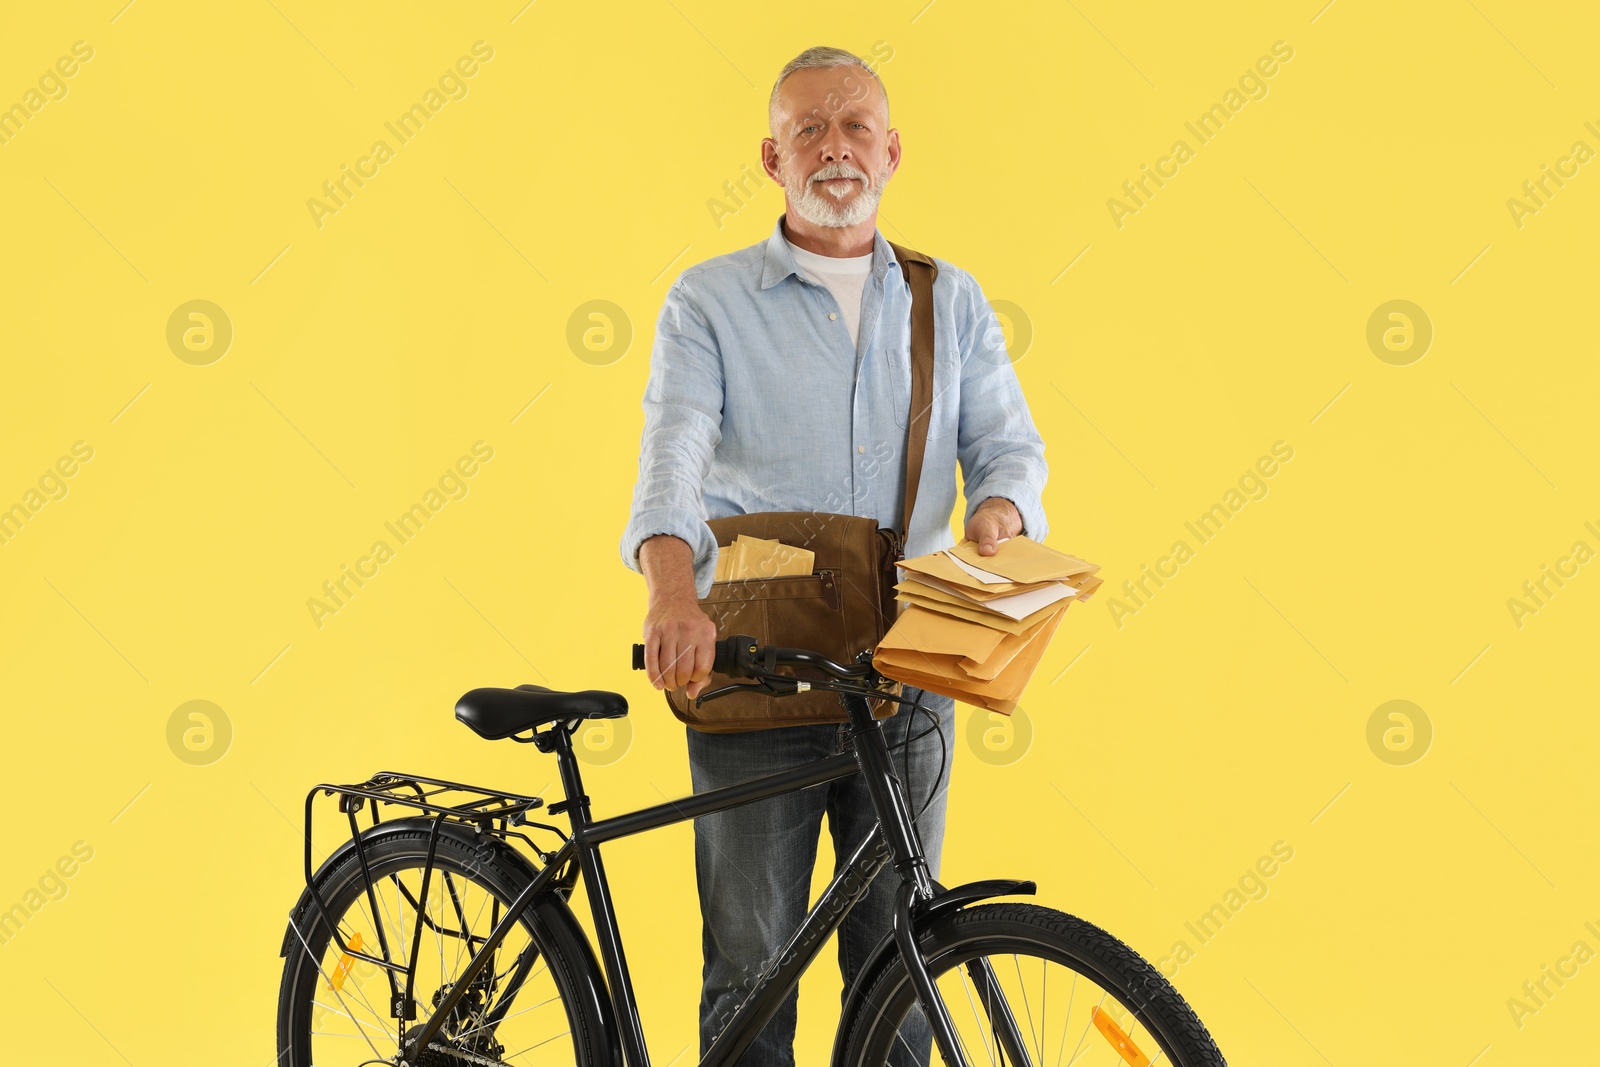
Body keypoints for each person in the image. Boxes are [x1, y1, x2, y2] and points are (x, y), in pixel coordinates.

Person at [619, 45, 1050, 1067]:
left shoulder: (951, 299)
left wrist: (997, 510)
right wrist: (672, 592)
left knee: (902, 955)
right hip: (758, 663)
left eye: (855, 125)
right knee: (752, 966)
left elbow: (1007, 445)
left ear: (892, 151)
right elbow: (672, 454)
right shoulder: (708, 301)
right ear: (771, 156)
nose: (834, 147)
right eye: (809, 128)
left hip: (911, 663)